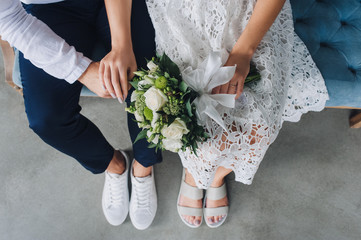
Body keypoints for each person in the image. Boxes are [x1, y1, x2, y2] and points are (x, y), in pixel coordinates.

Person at [146, 0, 329, 228]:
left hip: (248, 10)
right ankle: (194, 174)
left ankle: (216, 177)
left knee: (259, 126)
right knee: (190, 117)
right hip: (181, 11)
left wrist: (243, 51)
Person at [0, 0, 160, 230]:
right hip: (45, 10)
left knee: (150, 85)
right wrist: (81, 70)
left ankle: (143, 166)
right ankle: (115, 164)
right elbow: (10, 19)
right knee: (46, 119)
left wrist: (122, 45)